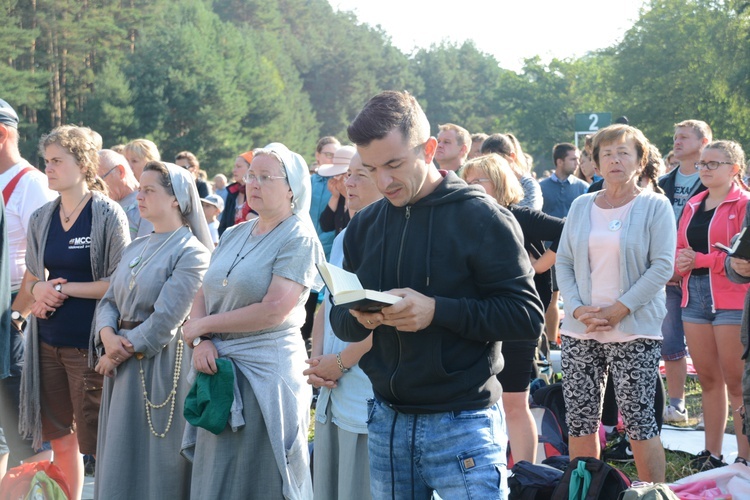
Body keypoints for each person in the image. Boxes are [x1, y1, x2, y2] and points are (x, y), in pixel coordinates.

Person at [330, 91, 544, 498]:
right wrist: (362, 316)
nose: (384, 181)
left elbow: (526, 316)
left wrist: (437, 312)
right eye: (372, 168)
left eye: (394, 164)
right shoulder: (364, 226)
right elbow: (340, 318)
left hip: (462, 423)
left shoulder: (482, 217)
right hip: (385, 421)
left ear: (430, 150)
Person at [181, 143, 324, 499]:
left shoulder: (298, 236)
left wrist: (201, 328)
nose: (253, 184)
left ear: (292, 187)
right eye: (250, 176)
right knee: (217, 475)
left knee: (258, 476)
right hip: (217, 365)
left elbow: (275, 307)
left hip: (265, 373)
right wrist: (201, 341)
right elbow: (203, 291)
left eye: (265, 177)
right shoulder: (234, 232)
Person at [556, 124, 674, 483]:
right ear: (594, 163)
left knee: (639, 420)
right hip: (581, 328)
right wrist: (576, 308)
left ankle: (651, 492)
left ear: (640, 161)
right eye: (606, 153)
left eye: (624, 152)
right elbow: (563, 262)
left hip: (633, 328)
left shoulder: (655, 205)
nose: (614, 160)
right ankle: (584, 491)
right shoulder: (580, 205)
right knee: (579, 419)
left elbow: (662, 265)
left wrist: (621, 307)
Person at [20, 125, 130, 499]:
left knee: (97, 442)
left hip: (90, 348)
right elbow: (32, 280)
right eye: (46, 161)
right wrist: (41, 289)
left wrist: (61, 289)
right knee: (61, 440)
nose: (48, 169)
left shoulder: (107, 214)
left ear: (83, 164)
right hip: (46, 345)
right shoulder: (42, 217)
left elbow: (119, 282)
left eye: (56, 162)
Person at [93, 162, 212, 499]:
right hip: (120, 358)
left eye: (150, 191)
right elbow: (108, 301)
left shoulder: (192, 253)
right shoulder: (137, 246)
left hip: (157, 367)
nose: (139, 197)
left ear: (176, 199)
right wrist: (106, 336)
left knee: (154, 461)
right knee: (119, 455)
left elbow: (165, 320)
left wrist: (114, 353)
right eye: (139, 189)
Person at [460, 153, 563, 465]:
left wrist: (541, 264)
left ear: (499, 182)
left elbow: (567, 229)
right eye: (466, 181)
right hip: (477, 320)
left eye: (478, 180)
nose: (470, 186)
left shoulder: (519, 215)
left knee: (514, 402)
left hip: (518, 320)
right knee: (476, 402)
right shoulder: (464, 219)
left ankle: (527, 475)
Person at [304, 151, 381, 500]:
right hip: (333, 387)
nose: (348, 183)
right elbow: (325, 305)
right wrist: (318, 362)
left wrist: (338, 362)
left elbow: (381, 321)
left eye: (359, 175)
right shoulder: (344, 235)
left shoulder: (387, 238)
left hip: (364, 388)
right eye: (346, 175)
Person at [676, 140, 750, 469]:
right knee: (708, 379)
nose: (703, 169)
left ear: (734, 169)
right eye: (702, 163)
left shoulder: (745, 204)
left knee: (737, 382)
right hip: (694, 297)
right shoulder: (692, 204)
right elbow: (681, 252)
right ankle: (713, 454)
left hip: (733, 297)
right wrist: (681, 264)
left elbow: (741, 259)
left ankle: (745, 456)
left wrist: (701, 260)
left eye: (712, 164)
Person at [0, 98, 56, 477]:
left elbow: (45, 260)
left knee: (25, 432)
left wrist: (16, 316)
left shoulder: (31, 182)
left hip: (13, 316)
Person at [659, 120, 711, 425]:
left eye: (684, 137)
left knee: (708, 348)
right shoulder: (664, 182)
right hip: (665, 272)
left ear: (703, 142)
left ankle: (712, 409)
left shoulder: (712, 180)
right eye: (675, 136)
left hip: (701, 272)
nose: (676, 141)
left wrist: (688, 262)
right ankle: (677, 405)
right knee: (670, 342)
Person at [98, 149, 154, 239]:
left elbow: (146, 248)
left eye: (101, 179)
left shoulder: (148, 203)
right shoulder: (104, 206)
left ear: (120, 171)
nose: (98, 186)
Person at [480, 133, 542, 210]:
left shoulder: (528, 184)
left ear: (511, 156)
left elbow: (529, 216)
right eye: (487, 162)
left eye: (496, 161)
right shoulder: (488, 183)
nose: (492, 167)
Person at [318, 145, 356, 235]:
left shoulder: (363, 195)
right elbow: (325, 225)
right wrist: (335, 197)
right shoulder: (340, 196)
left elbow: (354, 226)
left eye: (343, 174)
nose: (337, 179)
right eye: (336, 174)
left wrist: (348, 196)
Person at [218, 151, 254, 236]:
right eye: (234, 167)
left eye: (239, 166)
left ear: (251, 169)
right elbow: (224, 224)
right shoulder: (232, 192)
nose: (234, 170)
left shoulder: (257, 192)